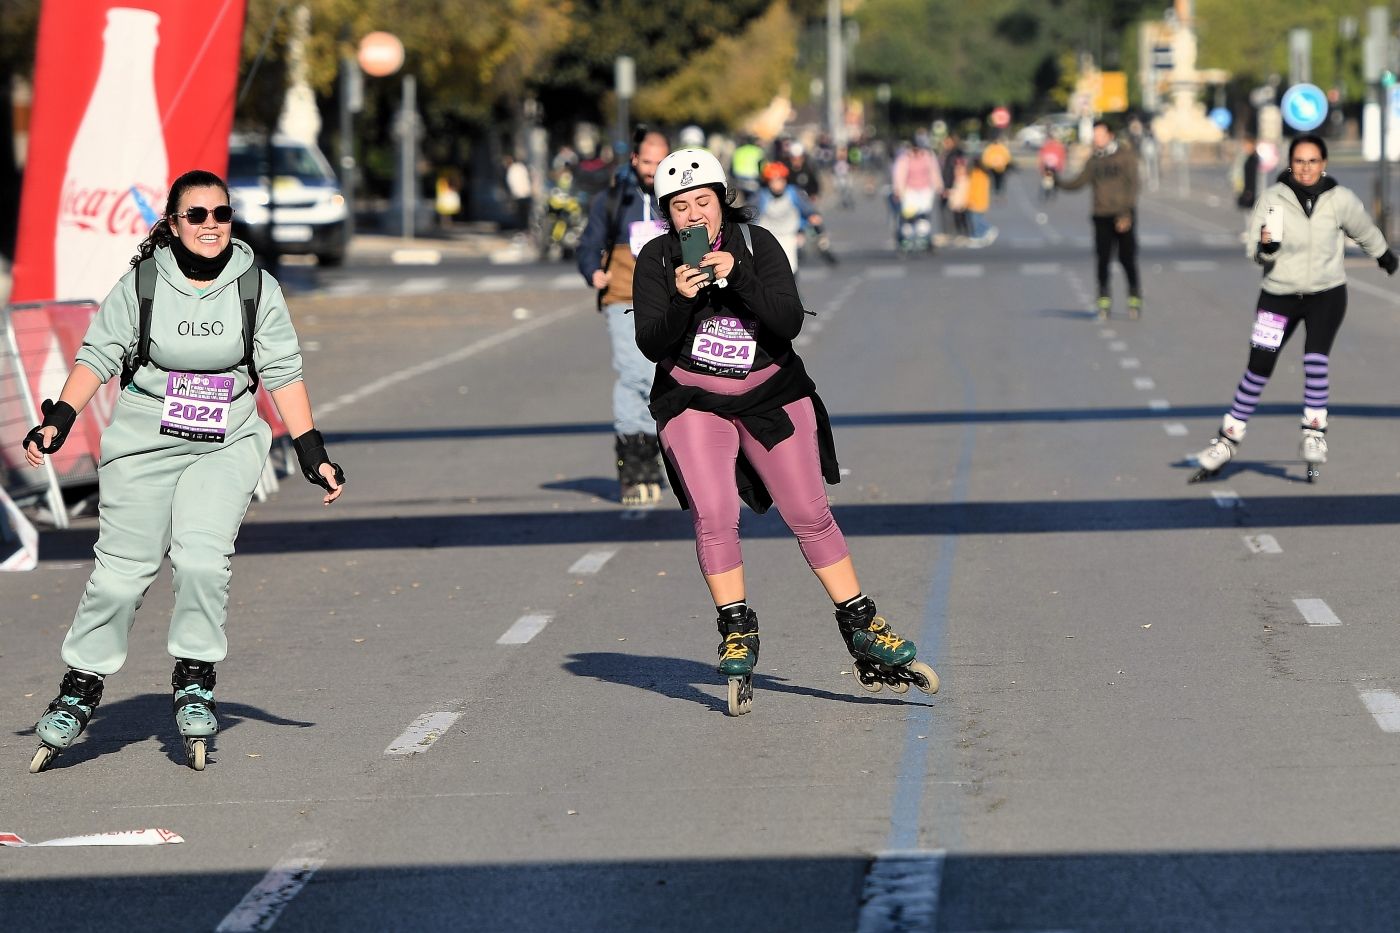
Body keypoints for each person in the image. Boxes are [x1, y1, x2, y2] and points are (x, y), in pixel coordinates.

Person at [22, 169, 345, 772]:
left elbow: (282, 372)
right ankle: (81, 687)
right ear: (172, 224)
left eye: (221, 214)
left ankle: (195, 673)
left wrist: (312, 452)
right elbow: (99, 355)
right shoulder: (143, 282)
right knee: (122, 573)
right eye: (195, 215)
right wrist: (59, 419)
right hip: (145, 435)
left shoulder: (255, 286)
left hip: (224, 438)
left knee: (200, 556)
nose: (210, 226)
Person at [631, 148, 938, 716]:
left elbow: (787, 322)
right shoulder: (656, 259)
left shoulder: (757, 244)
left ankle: (863, 625)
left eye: (703, 201)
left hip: (772, 397)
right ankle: (736, 627)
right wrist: (680, 296)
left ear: (723, 202)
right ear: (666, 213)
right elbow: (651, 341)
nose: (693, 214)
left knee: (809, 512)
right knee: (715, 515)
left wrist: (738, 276)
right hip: (695, 401)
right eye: (679, 206)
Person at [1189, 134, 1398, 484]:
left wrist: (1384, 256)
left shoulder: (1340, 199)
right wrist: (1267, 248)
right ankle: (1227, 439)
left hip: (1326, 294)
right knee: (1259, 366)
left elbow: (1364, 230)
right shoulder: (1272, 199)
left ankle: (1314, 432)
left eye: (1313, 161)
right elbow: (1255, 251)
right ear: (1290, 164)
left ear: (1324, 163)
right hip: (1278, 296)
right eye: (1299, 161)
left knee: (1315, 357)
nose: (1306, 168)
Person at [576, 128, 671, 505]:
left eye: (659, 162)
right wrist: (592, 271)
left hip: (669, 301)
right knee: (635, 373)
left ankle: (650, 453)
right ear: (634, 159)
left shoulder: (677, 200)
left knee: (660, 377)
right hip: (622, 297)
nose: (652, 170)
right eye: (646, 162)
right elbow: (589, 243)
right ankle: (634, 458)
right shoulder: (614, 200)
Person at [1057, 120, 1142, 320]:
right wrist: (1057, 181)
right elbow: (1079, 182)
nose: (1097, 139)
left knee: (1126, 258)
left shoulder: (1125, 157)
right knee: (1102, 259)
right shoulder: (1094, 160)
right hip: (1101, 214)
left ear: (1110, 135)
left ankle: (1134, 296)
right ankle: (1103, 300)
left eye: (1100, 135)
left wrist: (1126, 213)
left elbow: (1134, 186)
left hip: (1123, 214)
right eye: (1095, 135)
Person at [754, 160, 820, 274]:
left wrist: (812, 216)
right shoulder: (761, 196)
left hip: (788, 235)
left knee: (791, 267)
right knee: (767, 269)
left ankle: (791, 290)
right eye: (773, 181)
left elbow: (806, 207)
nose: (777, 184)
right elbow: (750, 214)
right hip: (768, 237)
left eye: (780, 180)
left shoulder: (793, 193)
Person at [504, 153, 533, 232]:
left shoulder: (512, 170)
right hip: (526, 194)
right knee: (524, 216)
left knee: (521, 216)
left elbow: (513, 184)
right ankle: (524, 231)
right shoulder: (521, 167)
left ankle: (522, 232)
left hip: (520, 195)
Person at [1037, 133, 1067, 202]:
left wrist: (1061, 166)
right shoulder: (1046, 146)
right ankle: (1047, 193)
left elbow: (1062, 157)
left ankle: (1051, 192)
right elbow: (1041, 156)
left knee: (1053, 180)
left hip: (1054, 167)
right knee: (1047, 181)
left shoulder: (1058, 147)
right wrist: (1041, 166)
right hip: (1047, 167)